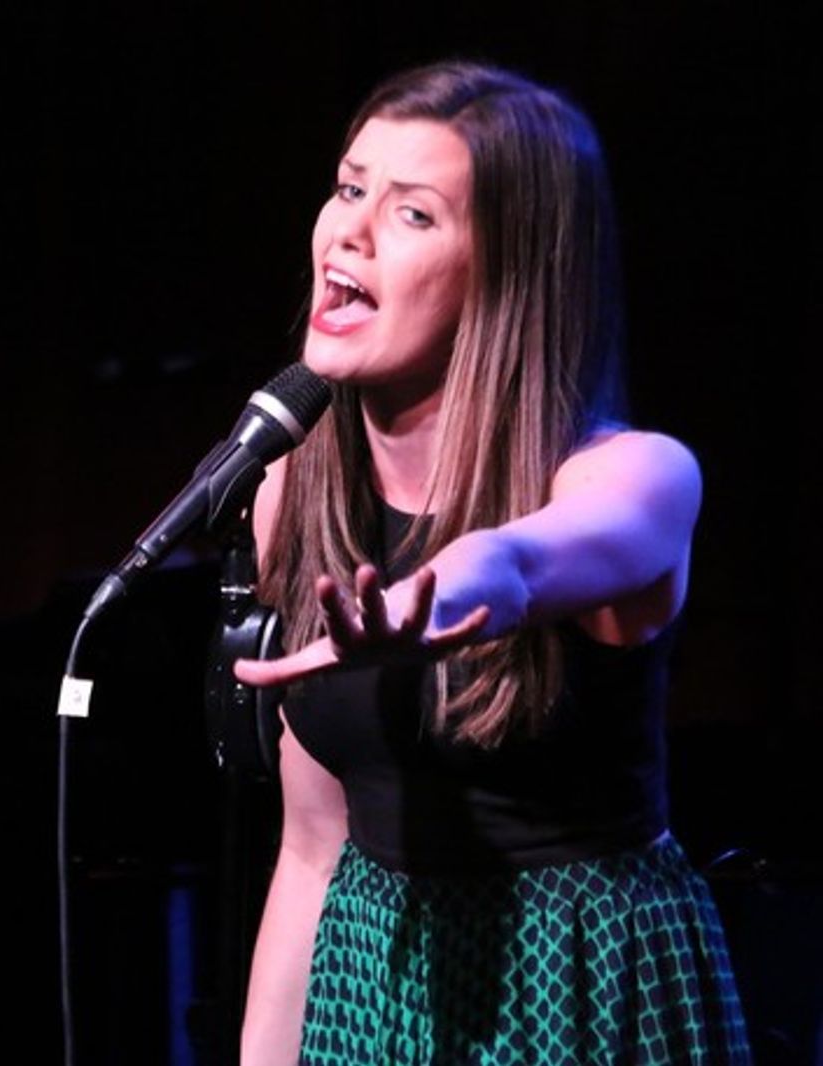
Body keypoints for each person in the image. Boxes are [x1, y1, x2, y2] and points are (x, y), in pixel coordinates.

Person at [233, 63, 751, 1065]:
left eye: (412, 213)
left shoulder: (636, 476)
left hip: (579, 980)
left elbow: (519, 562)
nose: (349, 230)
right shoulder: (292, 490)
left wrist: (437, 596)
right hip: (370, 974)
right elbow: (309, 848)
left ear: (506, 269)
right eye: (348, 188)